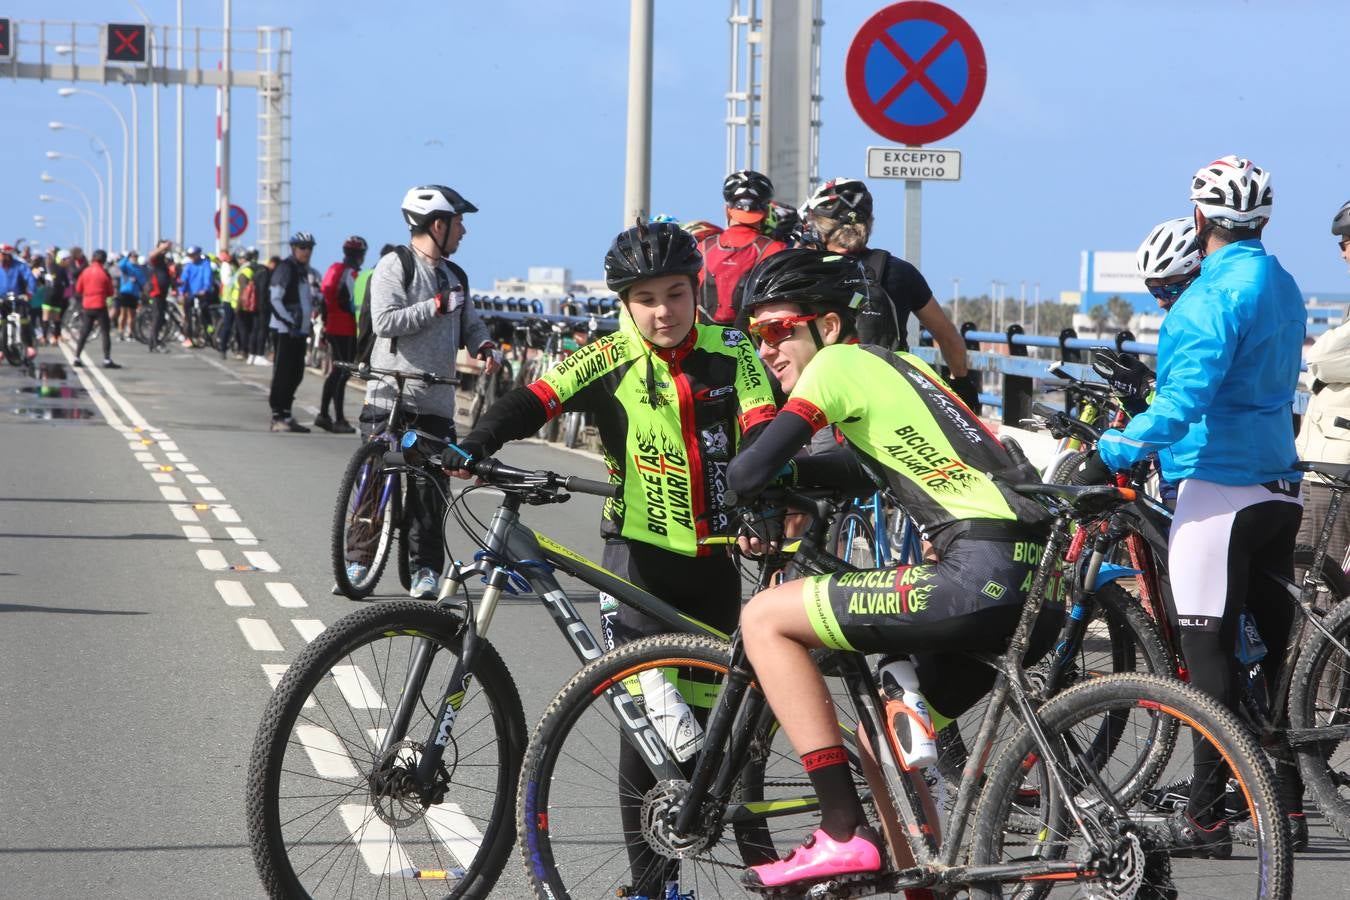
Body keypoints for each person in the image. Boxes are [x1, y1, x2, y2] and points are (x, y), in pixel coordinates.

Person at [452, 221, 778, 895]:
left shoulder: (732, 348)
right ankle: (651, 888)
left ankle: (694, 851)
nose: (663, 311)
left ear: (698, 291)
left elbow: (761, 427)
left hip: (714, 567)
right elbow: (535, 401)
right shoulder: (605, 355)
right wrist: (475, 442)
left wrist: (767, 501)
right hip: (635, 558)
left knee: (699, 740)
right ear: (625, 304)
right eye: (647, 298)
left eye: (677, 294)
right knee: (649, 727)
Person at [723, 249, 1053, 891]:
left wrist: (753, 484)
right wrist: (794, 479)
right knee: (881, 736)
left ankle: (842, 832)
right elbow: (856, 469)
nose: (765, 349)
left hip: (974, 572)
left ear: (828, 326)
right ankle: (927, 879)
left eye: (776, 330)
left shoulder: (837, 365)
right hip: (1027, 580)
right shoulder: (896, 364)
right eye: (754, 335)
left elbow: (748, 471)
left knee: (764, 618)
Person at [1097, 155, 1307, 853]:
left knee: (1205, 652)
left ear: (1199, 220)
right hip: (1280, 484)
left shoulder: (1207, 298)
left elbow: (1182, 402)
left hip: (1218, 488)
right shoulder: (1282, 282)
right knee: (1271, 652)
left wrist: (1122, 445)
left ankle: (1207, 815)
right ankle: (1291, 804)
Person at [352, 185, 498, 599]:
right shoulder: (394, 265)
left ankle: (425, 571)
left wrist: (484, 345)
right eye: (458, 223)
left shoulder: (457, 277)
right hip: (389, 393)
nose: (463, 232)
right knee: (374, 479)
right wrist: (434, 306)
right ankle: (358, 562)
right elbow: (385, 322)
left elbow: (471, 324)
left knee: (430, 490)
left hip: (435, 400)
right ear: (438, 225)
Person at [802, 178, 981, 410]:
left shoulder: (805, 271)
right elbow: (948, 337)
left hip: (822, 398)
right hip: (887, 397)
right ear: (869, 222)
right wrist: (962, 384)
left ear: (820, 226)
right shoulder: (898, 271)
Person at [1292, 201, 1350, 577]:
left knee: (1317, 578)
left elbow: (1323, 357)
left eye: (1348, 239)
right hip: (1326, 453)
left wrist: (1324, 361)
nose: (1344, 250)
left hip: (1337, 459)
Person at [696, 169, 786, 325]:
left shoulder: (702, 247)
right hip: (752, 344)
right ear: (765, 212)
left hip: (703, 341)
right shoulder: (776, 249)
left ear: (728, 210)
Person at [267, 232, 321, 432]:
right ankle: (277, 416)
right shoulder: (285, 268)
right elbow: (274, 300)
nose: (307, 251)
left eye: (310, 247)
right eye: (302, 247)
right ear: (293, 248)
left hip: (300, 331)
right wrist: (289, 323)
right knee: (282, 373)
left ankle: (287, 414)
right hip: (285, 331)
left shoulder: (303, 270)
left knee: (296, 374)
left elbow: (307, 299)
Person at [314, 235, 367, 433]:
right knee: (342, 372)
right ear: (359, 255)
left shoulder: (333, 269)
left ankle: (323, 414)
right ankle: (339, 419)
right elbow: (352, 302)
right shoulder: (352, 274)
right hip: (346, 327)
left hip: (332, 326)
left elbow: (324, 298)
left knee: (335, 371)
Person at [71, 249, 121, 369]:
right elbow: (110, 292)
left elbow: (78, 288)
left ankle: (77, 357)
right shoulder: (104, 273)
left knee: (84, 332)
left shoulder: (85, 272)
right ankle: (107, 359)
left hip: (87, 305)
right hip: (100, 305)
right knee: (105, 333)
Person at [0, 244, 38, 359]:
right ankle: (1, 349)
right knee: (1, 321)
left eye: (2, 255)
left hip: (18, 298)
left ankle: (29, 346)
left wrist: (29, 293)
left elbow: (30, 279)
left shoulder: (20, 266)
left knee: (23, 319)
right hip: (2, 300)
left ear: (8, 255)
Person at [177, 246, 216, 348]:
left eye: (194, 255)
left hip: (202, 293)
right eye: (190, 256)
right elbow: (183, 280)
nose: (192, 257)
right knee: (188, 316)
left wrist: (205, 289)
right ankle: (189, 338)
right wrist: (181, 293)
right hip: (191, 294)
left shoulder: (205, 264)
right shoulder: (189, 266)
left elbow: (207, 278)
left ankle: (209, 329)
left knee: (203, 310)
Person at [249, 253, 279, 366]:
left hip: (255, 305)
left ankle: (252, 354)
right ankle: (259, 355)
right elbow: (263, 291)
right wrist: (264, 305)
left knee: (255, 329)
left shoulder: (257, 272)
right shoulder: (265, 273)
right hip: (262, 306)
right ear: (272, 264)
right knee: (262, 330)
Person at [115, 251, 147, 341]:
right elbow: (120, 265)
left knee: (132, 315)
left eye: (135, 257)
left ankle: (130, 333)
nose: (134, 258)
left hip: (134, 293)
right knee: (123, 313)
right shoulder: (127, 266)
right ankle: (120, 332)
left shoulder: (138, 269)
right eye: (132, 256)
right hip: (125, 292)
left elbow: (143, 281)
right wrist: (126, 257)